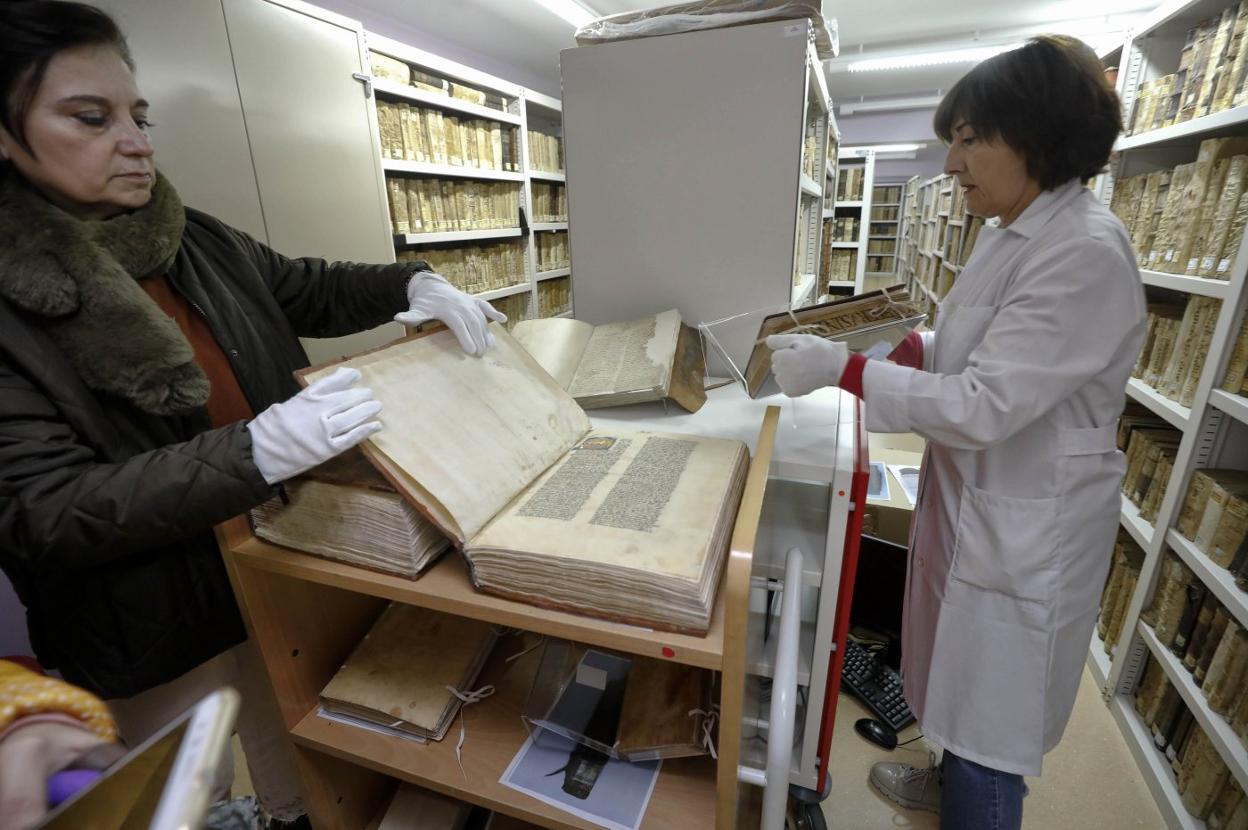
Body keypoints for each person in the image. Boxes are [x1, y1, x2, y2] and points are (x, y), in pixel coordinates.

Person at [0, 2, 503, 824]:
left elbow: (306, 282)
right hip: (151, 621)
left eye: (137, 114)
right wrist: (254, 453)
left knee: (302, 770)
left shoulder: (188, 236)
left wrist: (412, 284)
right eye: (89, 118)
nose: (136, 141)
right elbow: (39, 511)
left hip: (280, 563)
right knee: (187, 796)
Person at [767, 35, 1145, 830]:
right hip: (983, 501)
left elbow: (983, 404)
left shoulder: (1082, 251)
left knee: (992, 726)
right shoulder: (1013, 231)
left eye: (970, 138)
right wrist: (908, 347)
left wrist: (847, 371)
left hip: (1026, 524)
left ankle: (977, 803)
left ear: (1035, 133)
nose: (950, 164)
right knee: (957, 676)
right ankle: (947, 782)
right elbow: (970, 351)